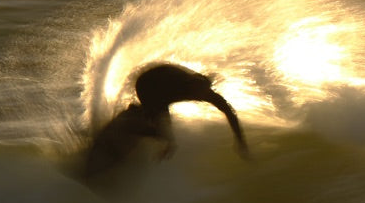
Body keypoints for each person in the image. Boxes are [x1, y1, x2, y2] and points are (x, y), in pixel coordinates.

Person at [78, 63, 249, 185]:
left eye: (202, 93)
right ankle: (125, 128)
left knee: (158, 127)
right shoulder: (177, 86)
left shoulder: (205, 92)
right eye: (197, 92)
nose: (200, 96)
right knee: (156, 128)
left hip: (159, 82)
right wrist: (169, 140)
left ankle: (134, 120)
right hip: (147, 83)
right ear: (190, 86)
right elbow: (162, 111)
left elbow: (229, 112)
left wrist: (240, 140)